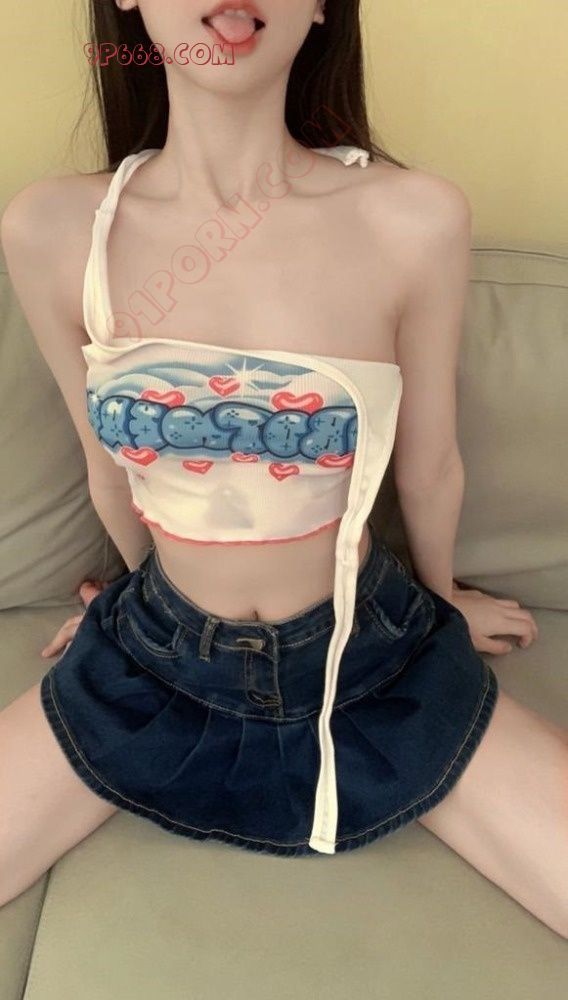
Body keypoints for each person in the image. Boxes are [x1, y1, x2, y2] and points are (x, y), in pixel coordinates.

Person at [1, 0, 567, 938]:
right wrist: (127, 604)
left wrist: (445, 605)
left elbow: (430, 466)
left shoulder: (413, 217)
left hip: (370, 650)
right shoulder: (52, 229)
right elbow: (109, 471)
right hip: (154, 649)